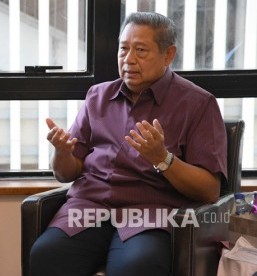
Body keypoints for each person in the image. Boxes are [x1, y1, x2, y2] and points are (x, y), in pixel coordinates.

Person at [29, 12, 227, 276]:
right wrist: (62, 153)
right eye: (123, 49)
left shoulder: (198, 104)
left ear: (168, 55)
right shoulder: (98, 96)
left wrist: (162, 159)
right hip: (89, 208)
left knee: (136, 267)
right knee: (47, 255)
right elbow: (66, 173)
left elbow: (210, 190)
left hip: (151, 214)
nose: (128, 59)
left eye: (141, 50)